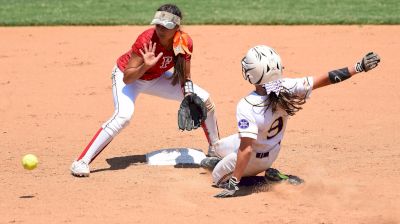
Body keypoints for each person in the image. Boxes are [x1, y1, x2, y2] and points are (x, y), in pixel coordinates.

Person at [200, 45, 380, 198]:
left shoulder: (247, 105)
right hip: (271, 150)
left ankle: (266, 180)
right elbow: (326, 78)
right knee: (217, 148)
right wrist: (358, 67)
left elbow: (246, 149)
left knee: (217, 178)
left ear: (252, 75)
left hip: (255, 159)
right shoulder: (288, 87)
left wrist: (233, 183)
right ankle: (226, 164)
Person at [70, 4, 220, 177]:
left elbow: (185, 75)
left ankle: (215, 149)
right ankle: (80, 162)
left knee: (204, 98)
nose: (161, 30)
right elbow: (127, 77)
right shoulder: (146, 40)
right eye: (158, 25)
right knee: (123, 116)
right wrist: (145, 66)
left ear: (176, 28)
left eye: (166, 27)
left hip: (156, 78)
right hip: (129, 78)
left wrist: (188, 94)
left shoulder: (184, 42)